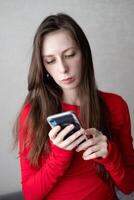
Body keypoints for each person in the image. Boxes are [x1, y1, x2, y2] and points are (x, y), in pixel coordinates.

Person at [13, 13, 134, 200]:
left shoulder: (116, 105)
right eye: (50, 61)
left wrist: (110, 155)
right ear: (43, 67)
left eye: (69, 55)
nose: (63, 68)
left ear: (84, 53)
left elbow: (128, 187)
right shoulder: (33, 113)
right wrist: (60, 155)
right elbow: (30, 195)